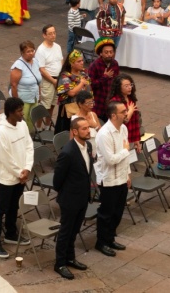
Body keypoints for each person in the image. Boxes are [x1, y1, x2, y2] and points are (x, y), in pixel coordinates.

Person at [0, 97, 34, 259]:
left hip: (22, 174)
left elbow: (29, 146)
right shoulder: (1, 132)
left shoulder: (22, 125)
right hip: (7, 177)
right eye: (19, 111)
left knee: (14, 206)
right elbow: (5, 157)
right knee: (1, 208)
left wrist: (27, 168)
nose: (22, 113)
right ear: (10, 113)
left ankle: (10, 233)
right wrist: (19, 173)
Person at [53, 117, 93, 280]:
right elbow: (57, 181)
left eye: (88, 128)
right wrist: (69, 192)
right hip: (70, 199)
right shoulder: (68, 152)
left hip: (83, 196)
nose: (88, 130)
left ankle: (70, 257)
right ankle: (60, 263)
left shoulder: (88, 146)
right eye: (84, 129)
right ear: (75, 132)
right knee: (66, 231)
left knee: (75, 230)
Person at [94, 101, 132, 257]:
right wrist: (125, 151)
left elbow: (123, 158)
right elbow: (110, 159)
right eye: (123, 111)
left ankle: (110, 238)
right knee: (106, 213)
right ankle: (101, 242)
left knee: (118, 211)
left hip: (122, 177)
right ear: (113, 115)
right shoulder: (104, 134)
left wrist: (128, 173)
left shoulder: (123, 128)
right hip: (109, 179)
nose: (126, 113)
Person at [55, 50, 91, 134]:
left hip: (82, 108)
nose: (82, 63)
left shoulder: (84, 73)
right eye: (79, 61)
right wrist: (81, 83)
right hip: (69, 111)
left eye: (82, 60)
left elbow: (88, 89)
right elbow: (71, 93)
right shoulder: (65, 76)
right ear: (72, 63)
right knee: (68, 132)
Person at [9, 40, 42, 133]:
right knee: (21, 122)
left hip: (34, 97)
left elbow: (37, 80)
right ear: (22, 53)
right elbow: (14, 85)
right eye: (28, 51)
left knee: (31, 120)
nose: (31, 53)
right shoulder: (18, 66)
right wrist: (16, 103)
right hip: (23, 99)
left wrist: (39, 95)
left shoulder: (35, 61)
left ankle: (28, 136)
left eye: (32, 50)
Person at [36, 25, 64, 127]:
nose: (53, 35)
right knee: (44, 105)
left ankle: (48, 125)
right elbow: (42, 69)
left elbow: (61, 61)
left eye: (54, 32)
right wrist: (52, 80)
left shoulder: (57, 47)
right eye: (50, 33)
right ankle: (39, 127)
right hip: (48, 80)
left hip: (58, 79)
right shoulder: (41, 50)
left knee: (52, 104)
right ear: (44, 35)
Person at [108, 74, 142, 153]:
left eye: (131, 85)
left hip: (131, 136)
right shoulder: (115, 102)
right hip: (120, 138)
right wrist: (130, 111)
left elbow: (135, 121)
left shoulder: (130, 99)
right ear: (119, 87)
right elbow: (121, 122)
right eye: (126, 86)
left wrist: (136, 139)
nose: (130, 87)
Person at [87, 38, 119, 121]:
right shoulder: (94, 66)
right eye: (106, 52)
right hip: (98, 104)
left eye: (111, 52)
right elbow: (90, 85)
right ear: (100, 53)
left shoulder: (115, 64)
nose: (109, 54)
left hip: (111, 104)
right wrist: (105, 77)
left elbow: (117, 81)